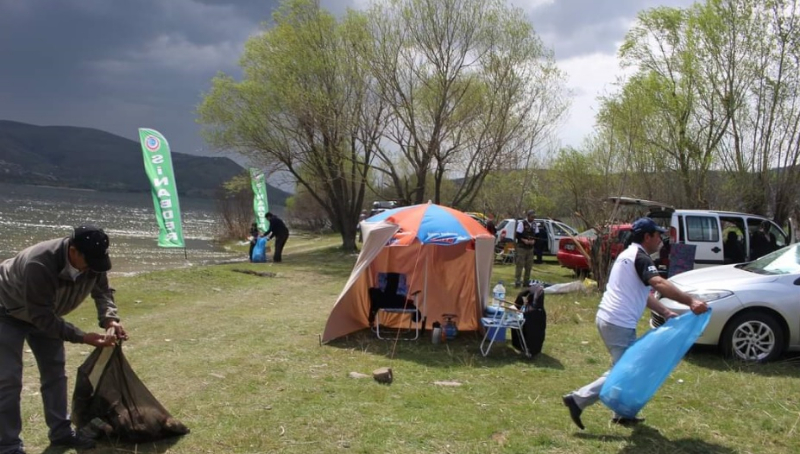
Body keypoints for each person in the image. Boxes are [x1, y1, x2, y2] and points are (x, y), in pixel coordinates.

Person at [561, 218, 708, 430]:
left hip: (610, 319)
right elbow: (659, 283)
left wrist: (665, 312)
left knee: (625, 367)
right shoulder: (640, 257)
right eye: (657, 235)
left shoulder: (627, 255)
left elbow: (642, 294)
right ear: (647, 237)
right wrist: (691, 301)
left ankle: (622, 413)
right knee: (627, 370)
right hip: (618, 323)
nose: (661, 239)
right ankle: (578, 400)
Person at [0, 225, 128, 454]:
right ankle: (8, 445)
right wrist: (83, 337)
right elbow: (41, 317)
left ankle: (61, 434)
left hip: (46, 313)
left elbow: (102, 292)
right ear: (73, 251)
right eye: (88, 263)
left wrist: (110, 319)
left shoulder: (93, 261)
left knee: (55, 374)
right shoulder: (39, 263)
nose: (91, 268)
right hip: (7, 311)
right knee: (8, 380)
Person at [514, 210, 538, 287]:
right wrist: (524, 240)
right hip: (522, 248)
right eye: (532, 217)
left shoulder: (534, 224)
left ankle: (526, 282)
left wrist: (534, 241)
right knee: (520, 265)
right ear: (528, 216)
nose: (533, 218)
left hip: (530, 248)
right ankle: (517, 281)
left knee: (529, 266)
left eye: (534, 217)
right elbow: (517, 235)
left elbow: (537, 235)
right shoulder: (522, 223)